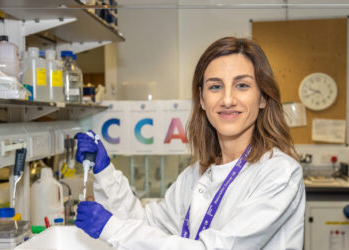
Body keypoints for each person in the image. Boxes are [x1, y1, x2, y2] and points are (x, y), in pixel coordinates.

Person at [74, 37, 305, 249]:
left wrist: (112, 228)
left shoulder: (279, 173)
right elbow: (147, 225)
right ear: (202, 99)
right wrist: (105, 172)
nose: (227, 99)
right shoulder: (197, 174)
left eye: (242, 85)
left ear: (263, 97)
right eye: (215, 86)